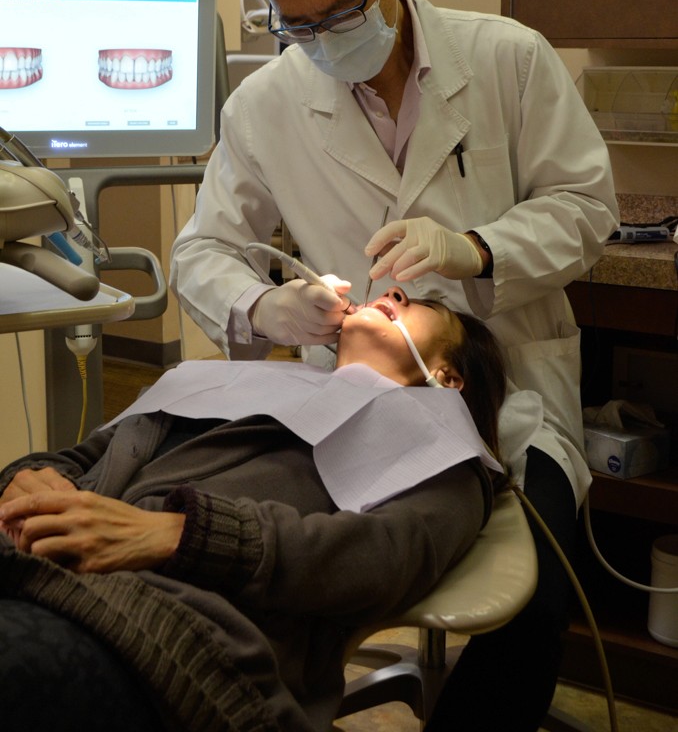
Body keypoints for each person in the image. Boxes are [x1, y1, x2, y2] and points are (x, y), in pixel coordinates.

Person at [169, 0, 620, 730]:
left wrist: (477, 249)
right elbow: (204, 249)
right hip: (346, 409)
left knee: (533, 606)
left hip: (512, 394)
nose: (326, 41)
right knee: (265, 572)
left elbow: (587, 207)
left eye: (340, 12)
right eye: (297, 27)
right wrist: (263, 309)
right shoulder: (266, 106)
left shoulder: (507, 60)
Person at [0, 288, 504, 732]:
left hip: (159, 624)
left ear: (448, 378)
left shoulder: (441, 454)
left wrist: (183, 535)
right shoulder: (245, 384)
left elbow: (385, 557)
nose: (393, 292)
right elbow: (82, 455)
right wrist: (22, 481)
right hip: (31, 556)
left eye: (415, 304)